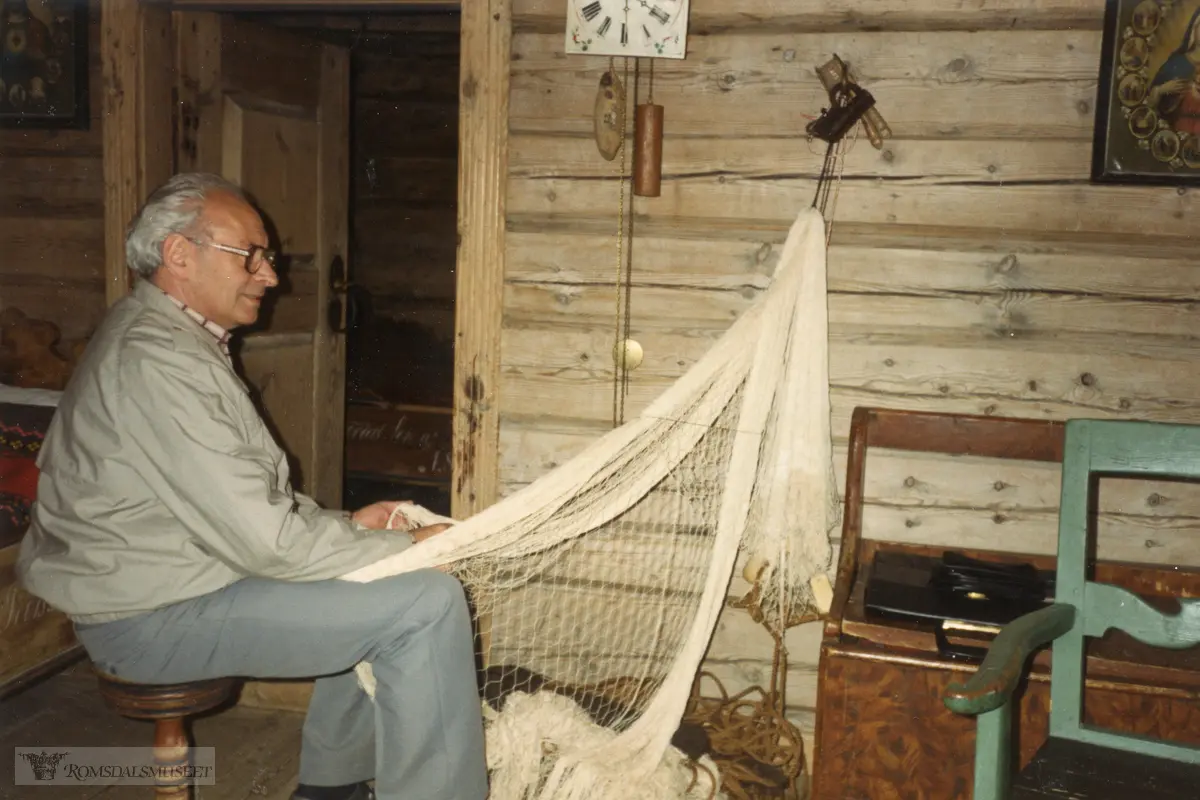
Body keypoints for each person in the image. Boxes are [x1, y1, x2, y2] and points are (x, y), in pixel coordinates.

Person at [15, 172, 488, 800]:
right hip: (148, 616)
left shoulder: (165, 335)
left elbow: (235, 503)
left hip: (172, 580)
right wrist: (412, 546)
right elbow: (267, 542)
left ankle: (331, 788)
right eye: (252, 256)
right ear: (179, 256)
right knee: (426, 604)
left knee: (374, 575)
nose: (271, 275)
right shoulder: (157, 362)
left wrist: (351, 527)